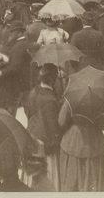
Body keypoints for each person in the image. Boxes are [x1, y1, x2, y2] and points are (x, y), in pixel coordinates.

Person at [57, 95, 104, 191]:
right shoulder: (96, 99)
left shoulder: (70, 99)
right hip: (94, 144)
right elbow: (103, 125)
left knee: (73, 180)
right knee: (94, 181)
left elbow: (61, 121)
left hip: (74, 143)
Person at [24, 63, 62, 191]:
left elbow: (28, 112)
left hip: (32, 136)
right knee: (47, 176)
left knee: (33, 172)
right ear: (53, 80)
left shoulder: (33, 92)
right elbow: (54, 126)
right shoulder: (51, 99)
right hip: (46, 143)